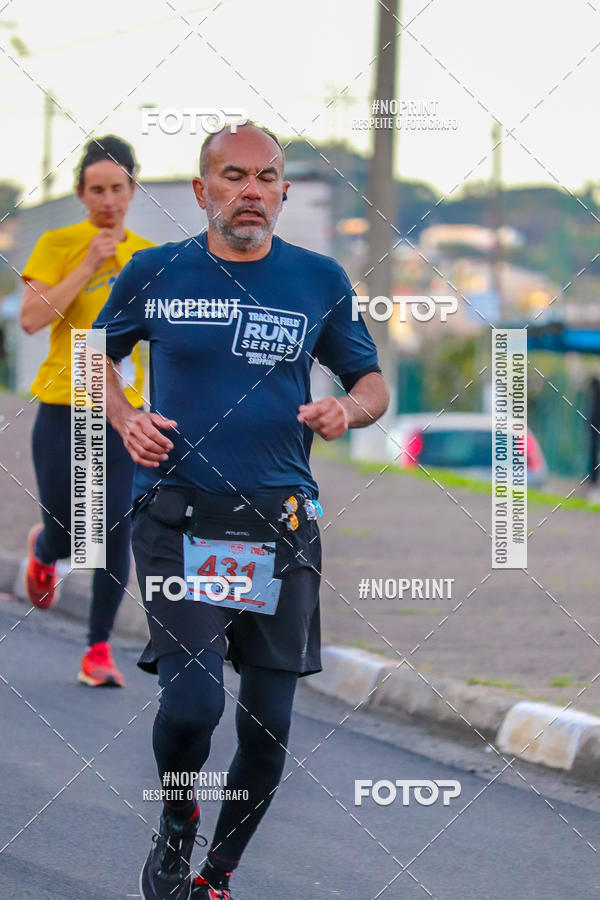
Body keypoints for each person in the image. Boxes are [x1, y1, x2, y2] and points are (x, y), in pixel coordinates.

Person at [93, 122, 389, 900]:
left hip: (279, 525)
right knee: (193, 702)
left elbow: (371, 382)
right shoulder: (156, 272)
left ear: (284, 192)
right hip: (178, 518)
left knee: (267, 729)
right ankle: (176, 828)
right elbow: (98, 358)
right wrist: (125, 416)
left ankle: (217, 875)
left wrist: (347, 414)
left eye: (266, 178)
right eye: (233, 176)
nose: (250, 191)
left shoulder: (318, 279)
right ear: (202, 191)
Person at [20, 135, 153, 687]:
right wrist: (89, 264)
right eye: (96, 190)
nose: (107, 200)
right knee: (72, 530)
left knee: (113, 530)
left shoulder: (149, 257)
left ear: (132, 189)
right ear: (80, 193)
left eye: (117, 188)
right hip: (61, 401)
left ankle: (97, 650)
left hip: (122, 411)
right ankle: (44, 548)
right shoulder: (58, 242)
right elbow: (30, 318)